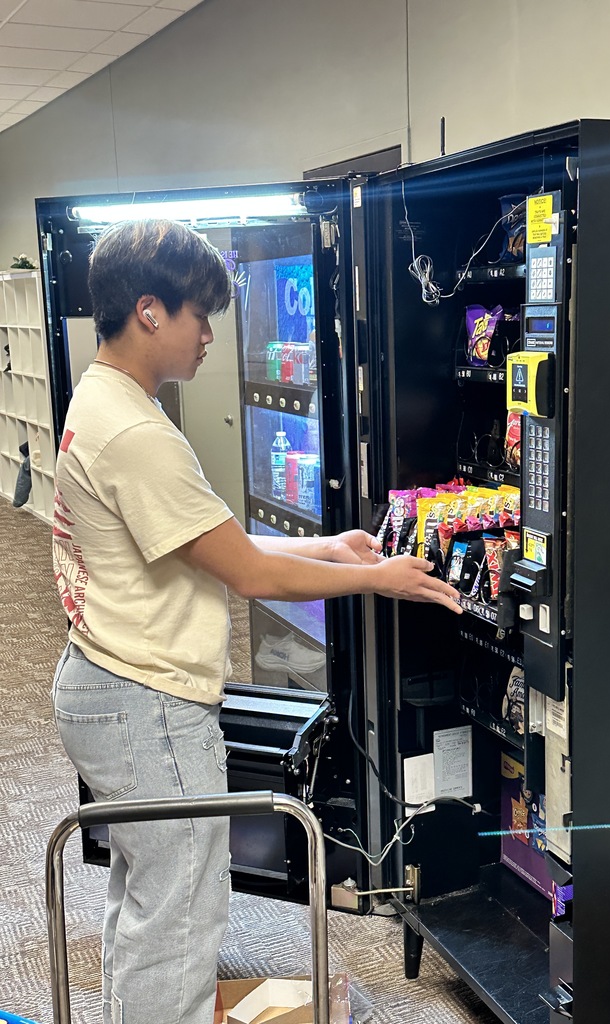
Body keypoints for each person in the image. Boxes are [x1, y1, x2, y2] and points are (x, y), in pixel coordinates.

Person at [50, 219, 461, 1024]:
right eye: (201, 314)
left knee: (147, 901)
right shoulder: (137, 431)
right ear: (149, 311)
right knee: (181, 916)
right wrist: (378, 577)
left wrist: (335, 547)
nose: (210, 335)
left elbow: (210, 545)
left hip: (104, 682)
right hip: (147, 702)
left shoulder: (104, 401)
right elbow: (246, 572)